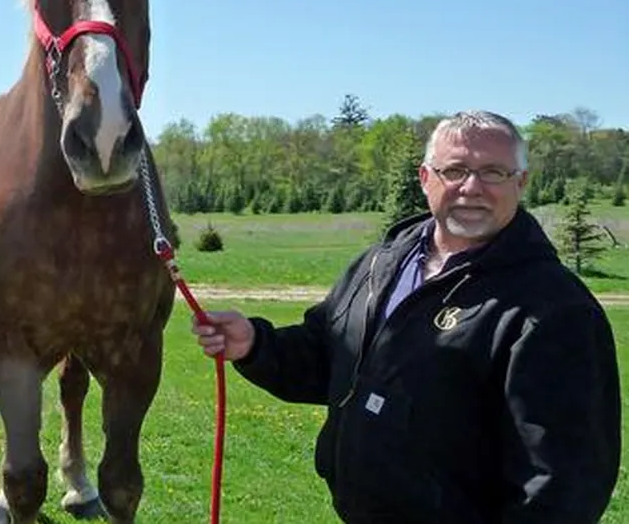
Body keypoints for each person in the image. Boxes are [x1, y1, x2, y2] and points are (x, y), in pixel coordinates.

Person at [193, 110, 621, 523]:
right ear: (424, 179)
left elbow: (563, 485)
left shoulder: (554, 308)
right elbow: (329, 356)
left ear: (521, 182)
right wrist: (255, 344)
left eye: (493, 172)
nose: (472, 187)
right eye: (454, 171)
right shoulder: (381, 264)